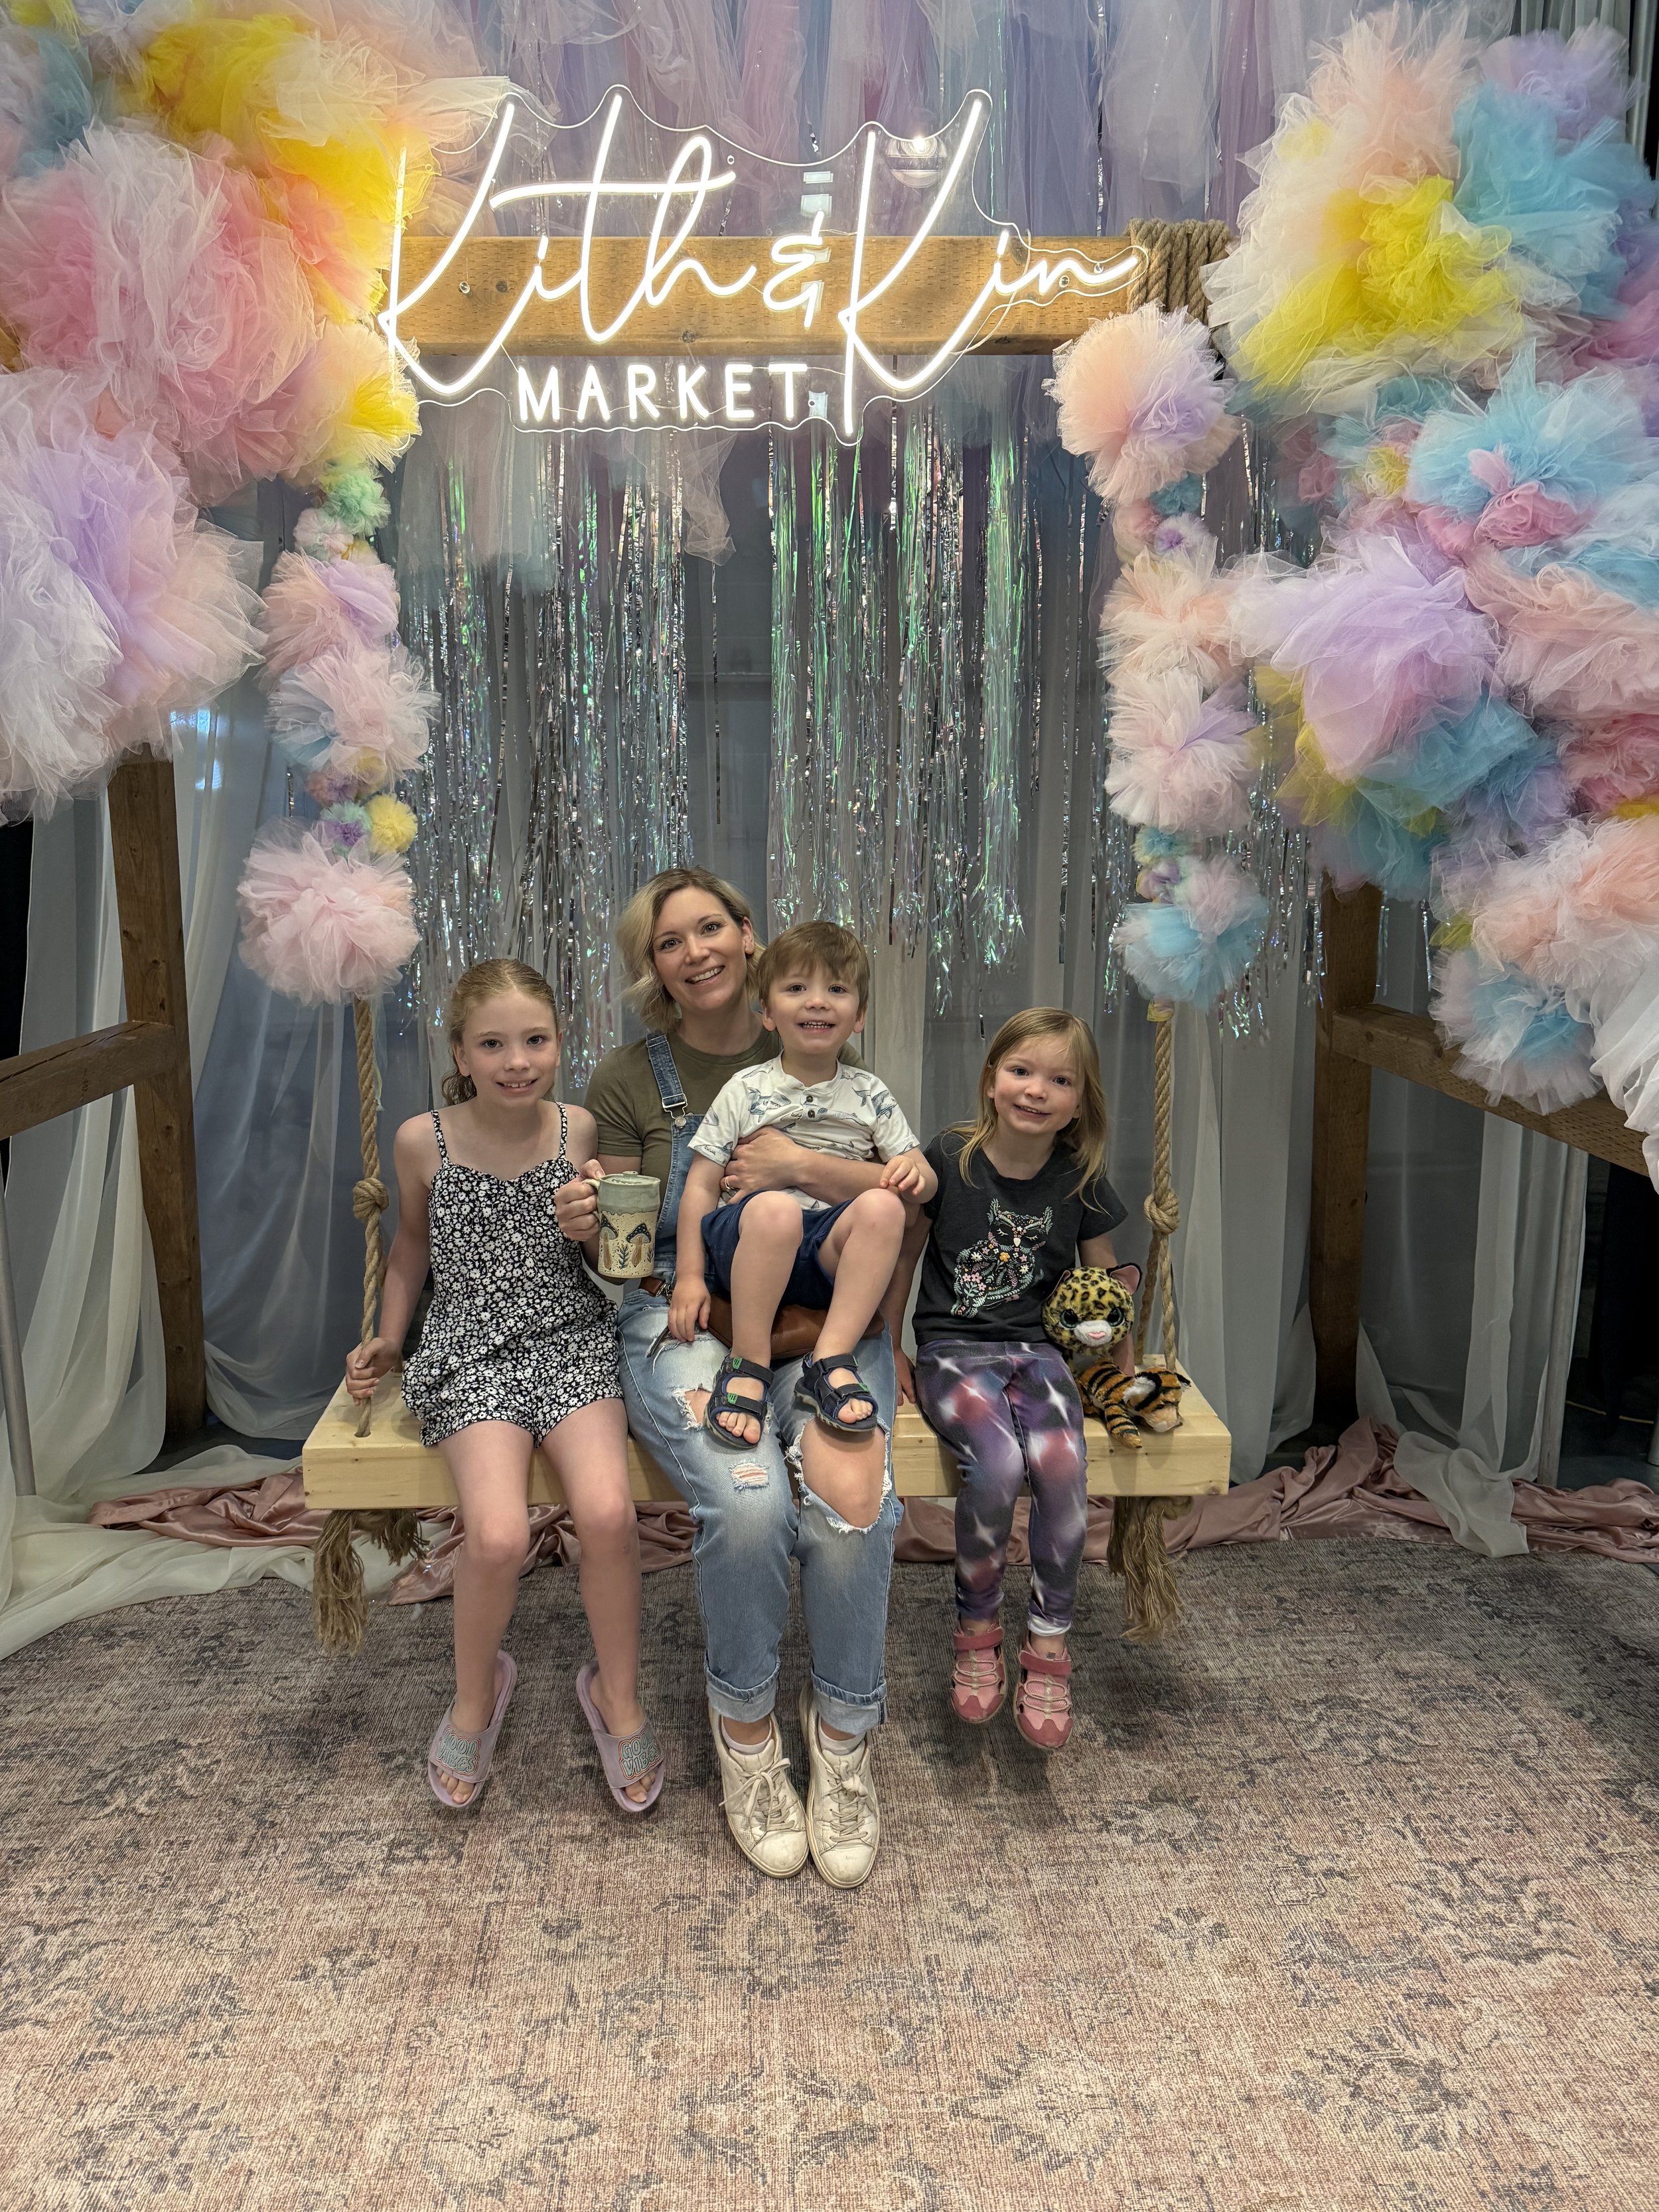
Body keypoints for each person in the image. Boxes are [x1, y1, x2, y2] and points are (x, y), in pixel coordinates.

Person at [555, 869, 899, 1889]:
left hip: (820, 1308)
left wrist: (801, 1168)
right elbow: (623, 1246)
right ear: (653, 968)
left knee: (852, 1501)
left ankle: (843, 1735)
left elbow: (893, 1199)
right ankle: (746, 1731)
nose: (695, 950)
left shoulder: (816, 1044)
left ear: (749, 937)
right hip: (686, 1306)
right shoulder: (628, 1080)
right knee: (748, 1503)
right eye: (670, 942)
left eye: (711, 927)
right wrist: (587, 1228)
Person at [345, 959, 662, 1816]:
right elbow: (411, 1246)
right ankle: (474, 1697)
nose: (517, 1061)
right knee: (493, 1536)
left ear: (559, 1043)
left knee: (608, 1515)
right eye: (492, 1045)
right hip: (470, 1350)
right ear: (460, 1053)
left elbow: (607, 1260)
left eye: (535, 1040)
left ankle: (617, 1695)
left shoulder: (577, 1129)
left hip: (569, 1338)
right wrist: (389, 1337)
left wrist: (591, 1224)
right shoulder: (422, 1140)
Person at [887, 1009, 1131, 1754]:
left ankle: (1049, 1638)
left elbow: (1106, 1288)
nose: (1036, 1090)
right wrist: (888, 1345)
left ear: (1080, 1101)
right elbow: (904, 1255)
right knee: (994, 1464)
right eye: (1021, 1071)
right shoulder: (950, 1158)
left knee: (1061, 1461)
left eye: (1060, 1080)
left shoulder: (1079, 1177)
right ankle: (978, 1627)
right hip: (954, 1349)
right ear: (992, 1079)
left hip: (1039, 1352)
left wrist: (1124, 1372)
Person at [669, 921, 936, 1451]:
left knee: (886, 1207)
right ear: (767, 1012)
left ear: (859, 1015)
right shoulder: (746, 1088)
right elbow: (699, 1184)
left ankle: (830, 1357)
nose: (817, 1001)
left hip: (822, 1252)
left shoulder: (870, 1093)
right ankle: (749, 1361)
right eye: (796, 988)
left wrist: (917, 1173)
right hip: (748, 1239)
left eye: (836, 988)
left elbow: (920, 1180)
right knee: (776, 1211)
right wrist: (690, 1275)